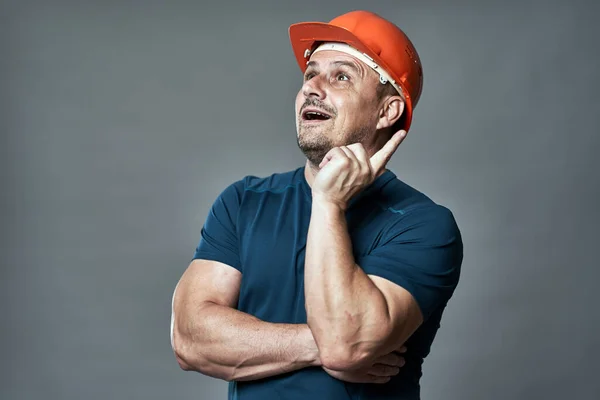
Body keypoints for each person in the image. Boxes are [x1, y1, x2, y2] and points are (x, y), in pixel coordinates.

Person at [170, 10, 463, 400]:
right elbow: (190, 339)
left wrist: (327, 203)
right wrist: (314, 345)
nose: (314, 87)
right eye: (311, 74)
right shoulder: (244, 202)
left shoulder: (423, 225)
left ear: (387, 111)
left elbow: (346, 345)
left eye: (341, 76)